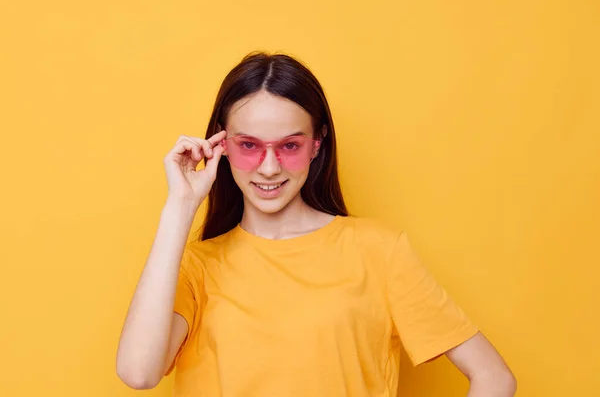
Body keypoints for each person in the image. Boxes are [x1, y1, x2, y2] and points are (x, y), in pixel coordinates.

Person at [116, 51, 517, 396]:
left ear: (317, 143)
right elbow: (138, 373)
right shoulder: (195, 267)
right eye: (249, 145)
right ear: (221, 145)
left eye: (289, 145)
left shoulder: (378, 251)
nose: (269, 168)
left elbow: (493, 377)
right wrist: (180, 206)